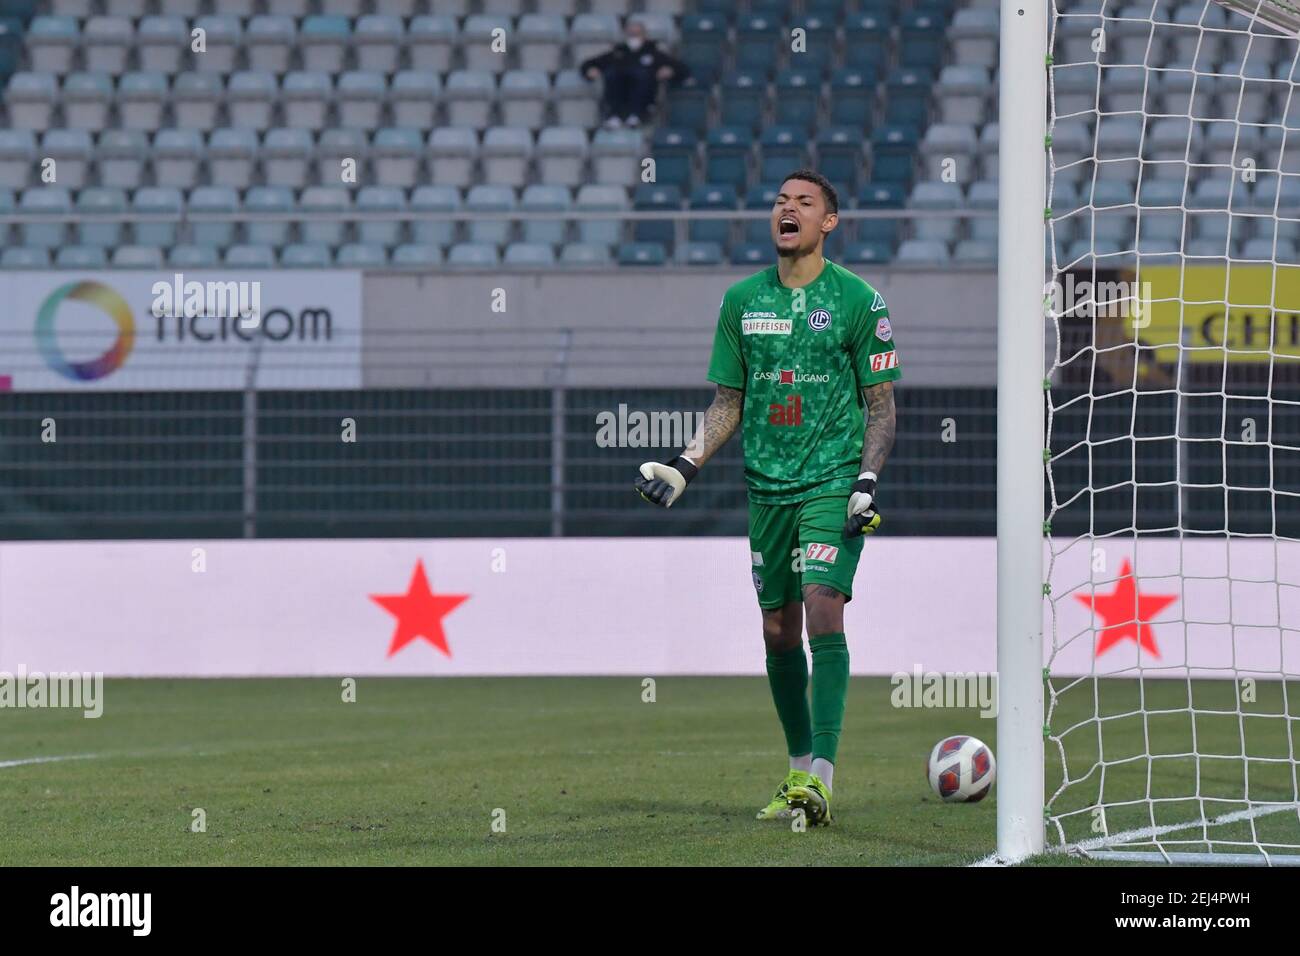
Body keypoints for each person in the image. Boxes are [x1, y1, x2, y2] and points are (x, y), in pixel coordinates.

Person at [634, 169, 901, 827]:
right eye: (781, 201)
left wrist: (865, 483)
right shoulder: (740, 302)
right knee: (777, 630)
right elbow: (729, 401)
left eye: (804, 202)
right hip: (766, 490)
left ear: (828, 223)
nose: (788, 208)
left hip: (831, 483)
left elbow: (882, 408)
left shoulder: (859, 302)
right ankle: (798, 771)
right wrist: (685, 465)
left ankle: (825, 783)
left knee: (821, 608)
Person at [580, 20, 687, 128]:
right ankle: (614, 116)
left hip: (643, 99)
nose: (634, 37)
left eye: (637, 34)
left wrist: (670, 70)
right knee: (611, 73)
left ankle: (636, 115)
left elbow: (681, 68)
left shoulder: (654, 54)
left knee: (642, 74)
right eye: (631, 34)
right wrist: (590, 70)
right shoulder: (617, 53)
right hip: (619, 95)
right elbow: (589, 63)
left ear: (644, 35)